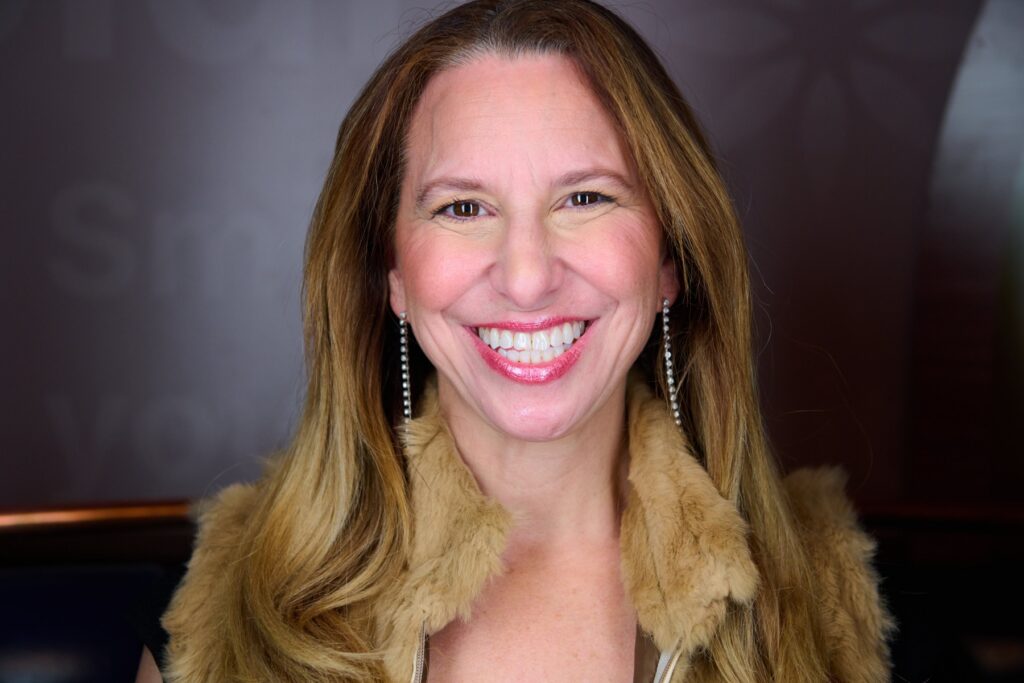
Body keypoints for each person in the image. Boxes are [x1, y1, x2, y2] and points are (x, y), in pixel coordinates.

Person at [137, 1, 894, 681]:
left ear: (671, 259)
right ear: (392, 274)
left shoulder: (841, 603)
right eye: (463, 207)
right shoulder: (218, 605)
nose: (527, 277)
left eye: (586, 197)